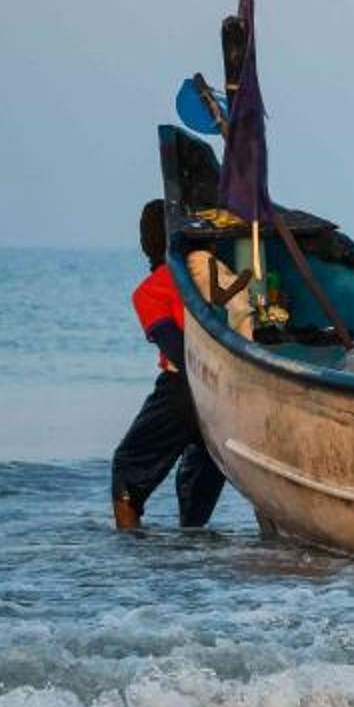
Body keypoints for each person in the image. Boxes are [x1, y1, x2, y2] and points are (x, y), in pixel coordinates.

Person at [111, 199, 226, 530]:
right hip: (226, 390)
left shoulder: (151, 289)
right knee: (197, 473)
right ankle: (193, 540)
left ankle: (128, 542)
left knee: (127, 466)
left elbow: (175, 348)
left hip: (182, 390)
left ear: (148, 242)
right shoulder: (212, 271)